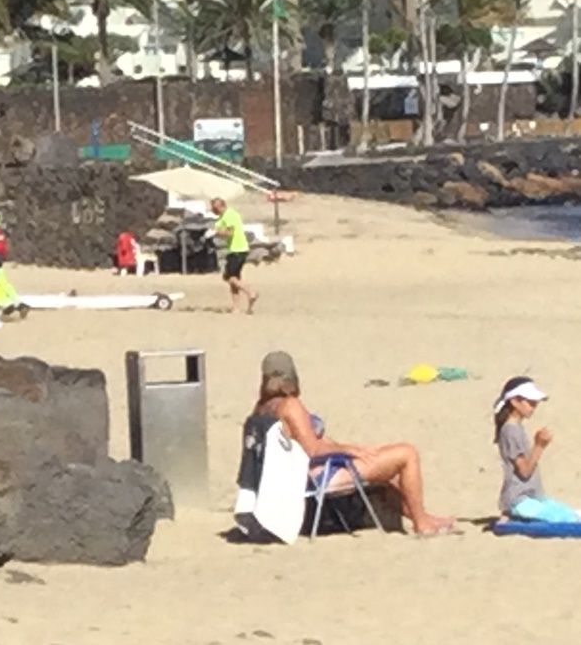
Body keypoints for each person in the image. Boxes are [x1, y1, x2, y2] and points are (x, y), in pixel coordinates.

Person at [242, 351, 456, 536]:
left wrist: (349, 449)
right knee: (407, 454)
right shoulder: (290, 406)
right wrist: (348, 450)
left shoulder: (261, 409)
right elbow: (312, 450)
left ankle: (423, 516)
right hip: (317, 475)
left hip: (295, 477)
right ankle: (422, 524)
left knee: (382, 464)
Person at [493, 376, 579, 523]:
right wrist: (539, 445)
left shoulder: (516, 428)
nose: (534, 406)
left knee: (571, 513)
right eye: (530, 402)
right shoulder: (511, 430)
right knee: (565, 518)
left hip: (531, 497)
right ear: (514, 401)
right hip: (519, 500)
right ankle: (511, 514)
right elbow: (524, 470)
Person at [211, 198, 257, 314]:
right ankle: (236, 307)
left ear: (221, 206)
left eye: (215, 208)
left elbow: (230, 232)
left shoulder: (229, 215)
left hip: (237, 249)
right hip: (235, 249)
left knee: (228, 277)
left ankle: (250, 292)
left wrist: (216, 232)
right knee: (235, 278)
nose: (213, 210)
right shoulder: (222, 217)